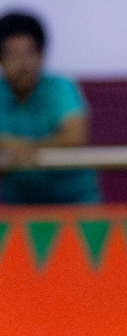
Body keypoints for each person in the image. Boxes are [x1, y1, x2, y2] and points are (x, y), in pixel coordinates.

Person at [0, 11, 101, 204]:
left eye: (29, 53)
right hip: (18, 209)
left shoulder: (60, 87)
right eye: (12, 54)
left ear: (42, 55)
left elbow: (75, 136)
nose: (23, 64)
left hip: (75, 204)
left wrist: (22, 147)